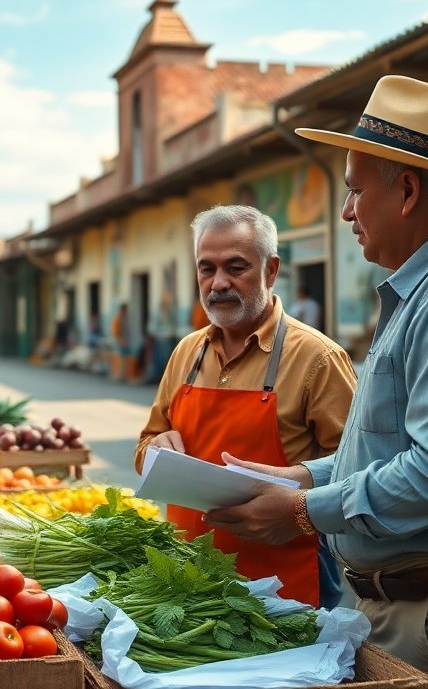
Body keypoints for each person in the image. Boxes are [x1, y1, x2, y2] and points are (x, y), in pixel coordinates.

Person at [204, 76, 428, 689]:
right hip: (425, 611)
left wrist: (302, 511)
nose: (347, 212)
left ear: (405, 190)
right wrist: (304, 476)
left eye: (353, 192)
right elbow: (397, 447)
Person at [134, 204, 357, 607]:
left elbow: (359, 468)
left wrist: (297, 504)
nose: (218, 283)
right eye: (207, 268)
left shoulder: (317, 359)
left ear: (271, 271)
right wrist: (154, 449)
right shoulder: (186, 352)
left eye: (236, 267)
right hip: (187, 577)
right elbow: (146, 443)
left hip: (284, 585)